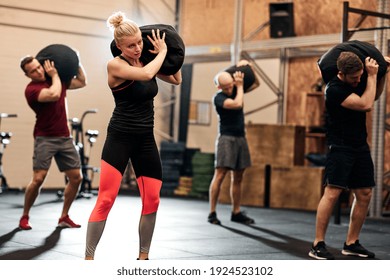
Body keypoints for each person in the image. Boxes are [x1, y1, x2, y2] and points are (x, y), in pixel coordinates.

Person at [84, 11, 182, 260]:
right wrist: (160, 53)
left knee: (153, 200)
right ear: (118, 46)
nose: (137, 48)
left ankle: (143, 257)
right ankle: (88, 259)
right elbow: (147, 75)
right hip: (120, 137)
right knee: (106, 199)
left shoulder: (146, 60)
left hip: (145, 140)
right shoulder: (116, 65)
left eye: (139, 42)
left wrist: (169, 51)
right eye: (131, 45)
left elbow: (176, 78)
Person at [309, 51, 390, 260]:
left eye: (360, 77)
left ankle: (351, 243)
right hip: (340, 147)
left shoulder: (359, 81)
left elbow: (374, 96)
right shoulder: (333, 89)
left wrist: (382, 75)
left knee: (364, 194)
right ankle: (318, 244)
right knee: (333, 193)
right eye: (354, 78)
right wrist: (372, 76)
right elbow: (366, 105)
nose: (357, 81)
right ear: (341, 73)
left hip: (359, 145)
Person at [19, 55, 87, 230]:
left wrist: (75, 61)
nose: (39, 71)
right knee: (38, 179)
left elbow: (81, 82)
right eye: (33, 70)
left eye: (38, 67)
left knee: (76, 178)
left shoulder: (57, 80)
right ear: (28, 75)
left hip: (64, 137)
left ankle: (64, 216)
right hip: (45, 138)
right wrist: (55, 75)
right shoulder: (32, 90)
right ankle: (25, 216)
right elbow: (54, 94)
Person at [207, 60, 260, 225]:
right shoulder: (219, 97)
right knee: (220, 174)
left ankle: (236, 212)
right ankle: (212, 213)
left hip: (240, 138)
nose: (230, 89)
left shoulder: (237, 89)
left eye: (231, 85)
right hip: (226, 139)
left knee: (238, 176)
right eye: (227, 87)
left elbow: (256, 84)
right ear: (220, 88)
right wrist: (240, 86)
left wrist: (250, 67)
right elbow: (237, 104)